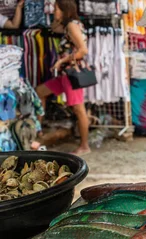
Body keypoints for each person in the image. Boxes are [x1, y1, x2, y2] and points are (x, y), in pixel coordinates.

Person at [35, 0, 91, 155]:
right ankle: (38, 131)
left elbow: (83, 51)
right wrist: (57, 18)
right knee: (39, 92)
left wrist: (61, 61)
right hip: (64, 74)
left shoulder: (72, 26)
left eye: (57, 9)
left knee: (79, 109)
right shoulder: (69, 25)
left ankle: (85, 146)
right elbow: (53, 27)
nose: (54, 12)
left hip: (72, 74)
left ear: (65, 10)